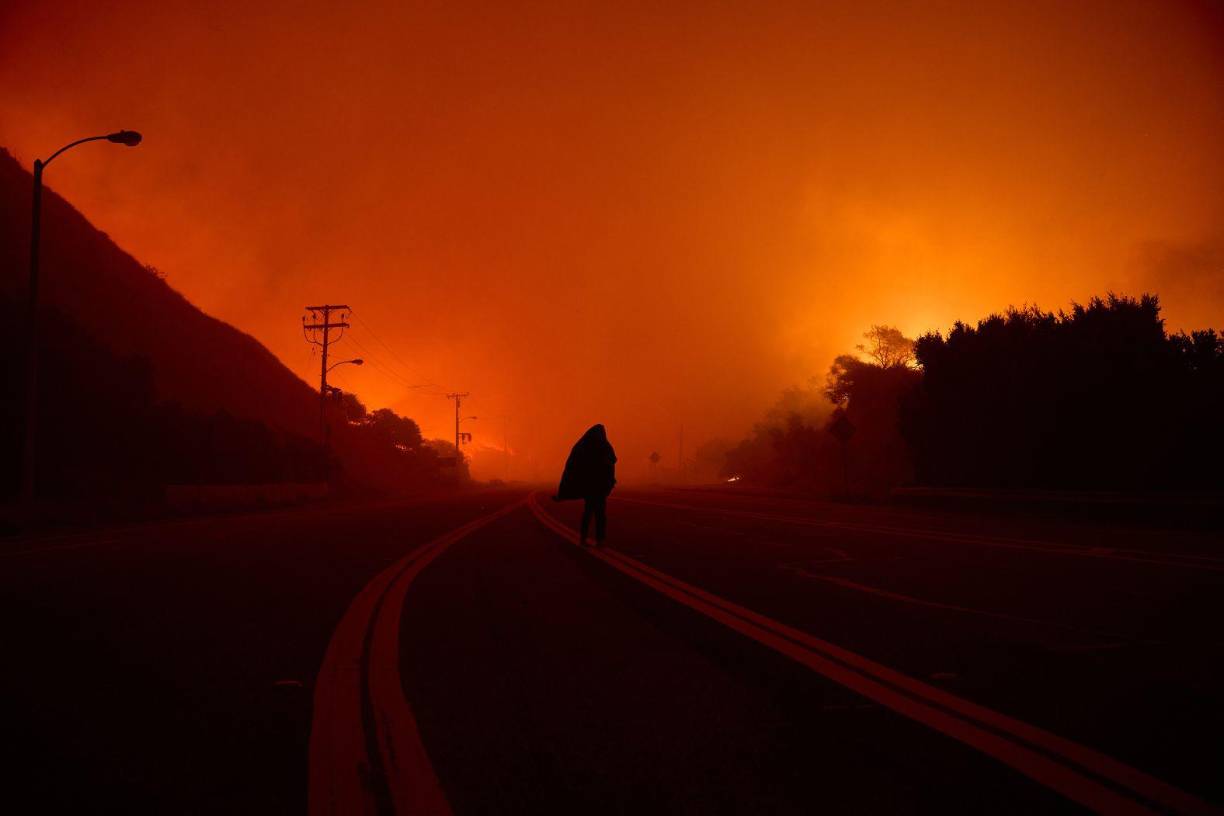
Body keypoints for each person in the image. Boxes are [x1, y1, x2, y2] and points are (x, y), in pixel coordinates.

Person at [553, 424, 617, 546]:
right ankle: (599, 539)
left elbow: (574, 466)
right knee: (599, 514)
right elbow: (611, 464)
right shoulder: (604, 447)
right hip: (597, 486)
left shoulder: (585, 448)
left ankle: (586, 538)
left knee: (590, 513)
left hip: (593, 487)